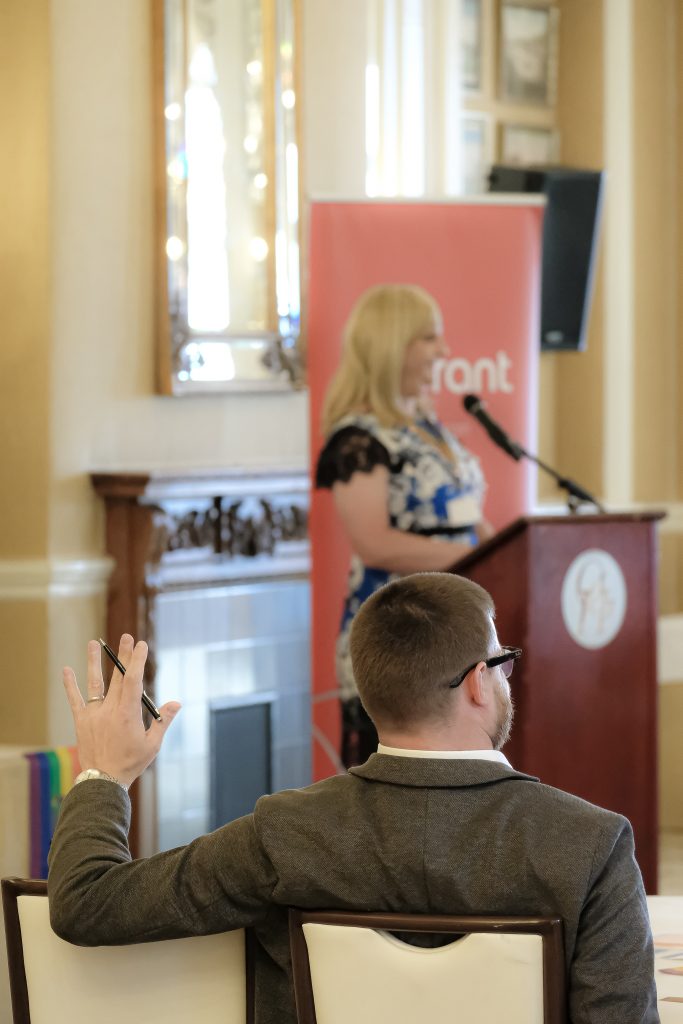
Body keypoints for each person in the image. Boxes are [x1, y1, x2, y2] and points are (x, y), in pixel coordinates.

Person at [48, 572, 659, 1024]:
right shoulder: (590, 844)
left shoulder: (285, 832)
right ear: (478, 683)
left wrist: (106, 773)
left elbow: (87, 905)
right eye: (500, 663)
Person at [315, 283, 493, 766]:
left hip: (459, 625)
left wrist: (507, 555)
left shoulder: (428, 426)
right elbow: (374, 543)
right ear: (395, 345)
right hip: (400, 634)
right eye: (430, 338)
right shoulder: (359, 437)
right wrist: (480, 560)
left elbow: (466, 517)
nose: (444, 351)